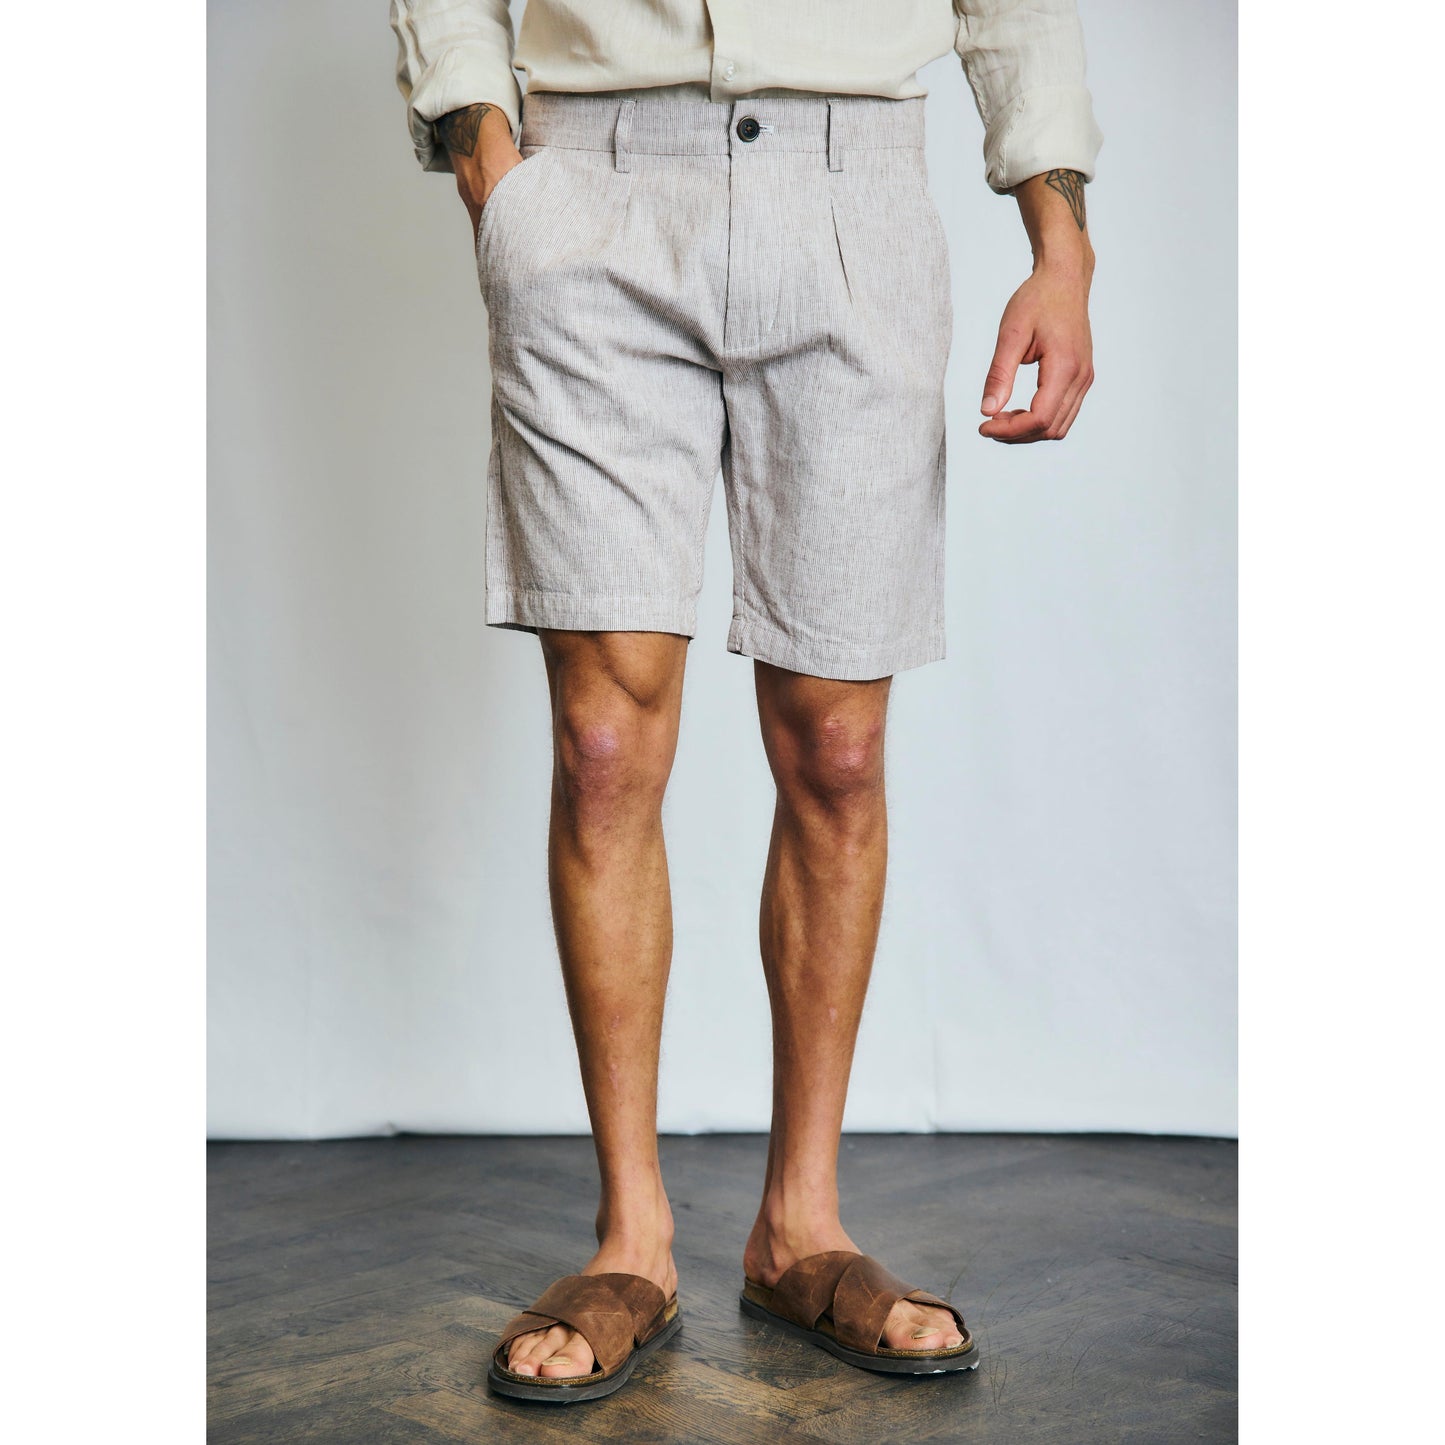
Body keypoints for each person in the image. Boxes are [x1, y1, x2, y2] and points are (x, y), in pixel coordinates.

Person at [389, 0, 1102, 1405]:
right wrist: (490, 166)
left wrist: (1059, 242)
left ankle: (800, 1228)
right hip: (589, 185)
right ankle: (631, 1239)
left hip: (852, 192)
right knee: (603, 743)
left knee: (837, 743)